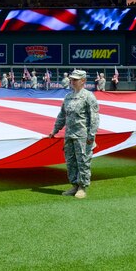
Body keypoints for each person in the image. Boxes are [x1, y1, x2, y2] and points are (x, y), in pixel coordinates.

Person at [49, 69, 99, 198]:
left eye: (75, 79)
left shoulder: (88, 96)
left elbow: (94, 117)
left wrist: (91, 135)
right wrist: (55, 130)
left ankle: (82, 187)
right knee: (70, 161)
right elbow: (62, 115)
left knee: (83, 161)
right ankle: (74, 185)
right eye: (71, 79)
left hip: (83, 136)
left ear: (83, 81)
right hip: (69, 135)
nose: (72, 81)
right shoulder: (68, 97)